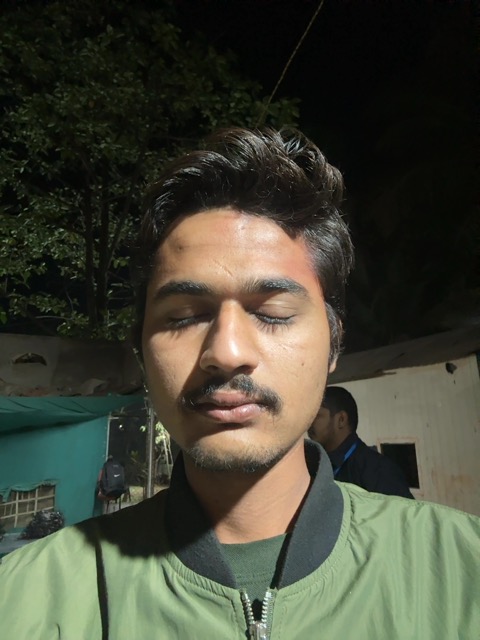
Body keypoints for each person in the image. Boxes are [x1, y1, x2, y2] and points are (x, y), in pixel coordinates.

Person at [1, 128, 478, 639]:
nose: (226, 353)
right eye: (184, 316)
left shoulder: (461, 569)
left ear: (334, 343)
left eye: (273, 313)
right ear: (140, 349)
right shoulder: (25, 599)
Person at [309, 386, 414, 498]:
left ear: (341, 420)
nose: (309, 423)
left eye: (316, 416)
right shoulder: (316, 466)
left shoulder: (379, 471)